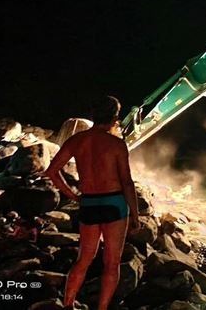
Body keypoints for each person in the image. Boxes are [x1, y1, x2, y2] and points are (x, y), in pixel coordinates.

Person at [44, 96, 140, 310]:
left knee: (84, 259)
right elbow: (126, 182)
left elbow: (51, 171)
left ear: (93, 115)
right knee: (111, 263)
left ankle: (68, 305)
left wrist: (73, 195)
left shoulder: (77, 140)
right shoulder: (116, 144)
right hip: (114, 204)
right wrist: (135, 214)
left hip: (89, 204)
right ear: (115, 117)